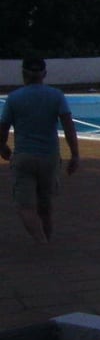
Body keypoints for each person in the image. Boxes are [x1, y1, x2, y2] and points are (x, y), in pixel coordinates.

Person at [0, 57, 79, 243]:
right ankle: (47, 239)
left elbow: (3, 127)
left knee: (25, 206)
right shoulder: (56, 95)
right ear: (44, 74)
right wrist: (75, 154)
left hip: (24, 156)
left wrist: (2, 146)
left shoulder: (14, 98)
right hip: (49, 157)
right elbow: (68, 125)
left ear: (23, 74)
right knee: (45, 204)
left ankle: (41, 241)